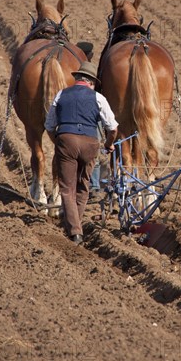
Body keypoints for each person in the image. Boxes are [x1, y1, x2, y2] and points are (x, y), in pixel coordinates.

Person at [45, 61, 118, 246]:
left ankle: (75, 231)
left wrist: (59, 142)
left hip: (66, 140)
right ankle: (75, 227)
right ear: (91, 82)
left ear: (77, 78)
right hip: (90, 143)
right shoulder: (98, 97)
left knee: (67, 189)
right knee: (83, 186)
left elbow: (49, 125)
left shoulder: (61, 94)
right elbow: (113, 128)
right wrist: (108, 144)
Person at [76, 41, 101, 197]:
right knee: (94, 153)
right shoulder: (92, 71)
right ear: (90, 55)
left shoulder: (77, 70)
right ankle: (94, 184)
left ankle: (78, 183)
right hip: (93, 117)